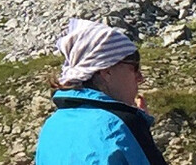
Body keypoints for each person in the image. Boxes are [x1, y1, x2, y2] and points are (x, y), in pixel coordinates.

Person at [33, 18, 168, 165]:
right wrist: (138, 128)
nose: (140, 78)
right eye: (134, 68)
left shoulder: (52, 126)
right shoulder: (121, 125)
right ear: (106, 71)